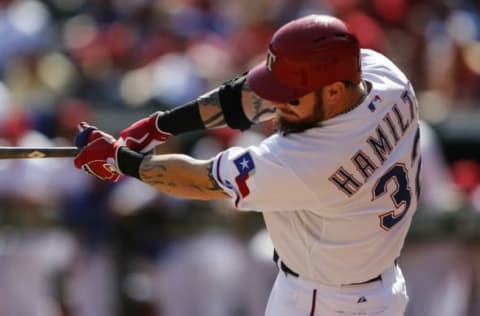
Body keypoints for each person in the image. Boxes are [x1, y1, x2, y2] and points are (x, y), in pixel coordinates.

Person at [73, 14, 421, 316]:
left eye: (291, 98)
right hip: (371, 286)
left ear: (333, 92)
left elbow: (199, 180)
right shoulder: (387, 77)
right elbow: (253, 97)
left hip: (330, 301)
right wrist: (161, 125)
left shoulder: (305, 159)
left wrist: (122, 162)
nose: (279, 105)